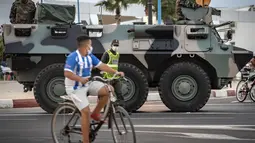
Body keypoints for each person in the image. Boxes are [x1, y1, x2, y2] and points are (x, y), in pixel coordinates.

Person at [64, 35, 124, 143]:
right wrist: (80, 79)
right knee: (85, 111)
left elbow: (102, 66)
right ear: (85, 46)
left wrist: (116, 72)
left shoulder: (89, 56)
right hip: (75, 88)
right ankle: (85, 141)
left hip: (87, 84)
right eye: (90, 45)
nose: (91, 47)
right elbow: (67, 73)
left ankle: (95, 113)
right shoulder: (73, 57)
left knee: (108, 89)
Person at [101, 39, 125, 107]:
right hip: (108, 78)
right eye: (115, 45)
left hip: (115, 78)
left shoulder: (117, 54)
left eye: (117, 45)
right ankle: (106, 110)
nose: (116, 47)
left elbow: (116, 66)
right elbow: (102, 65)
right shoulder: (107, 54)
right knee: (107, 95)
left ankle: (124, 110)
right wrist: (103, 74)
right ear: (111, 45)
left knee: (119, 94)